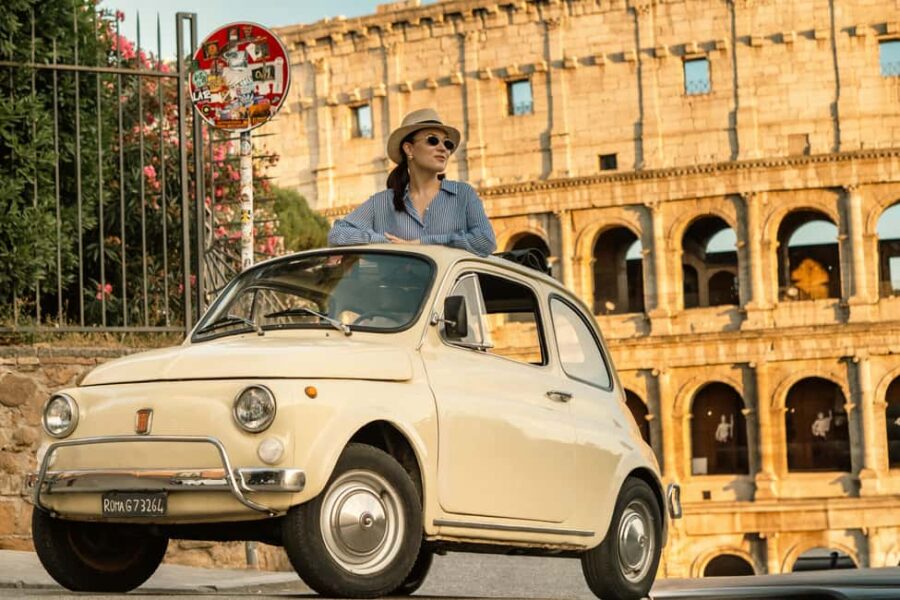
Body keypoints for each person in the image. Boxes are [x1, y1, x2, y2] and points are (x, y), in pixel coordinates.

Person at [328, 108, 497, 257]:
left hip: (455, 294)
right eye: (432, 140)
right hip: (397, 292)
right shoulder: (382, 203)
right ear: (409, 149)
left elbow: (486, 241)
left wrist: (422, 243)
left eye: (447, 143)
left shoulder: (463, 194)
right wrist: (385, 242)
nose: (443, 148)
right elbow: (337, 233)